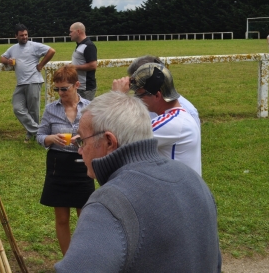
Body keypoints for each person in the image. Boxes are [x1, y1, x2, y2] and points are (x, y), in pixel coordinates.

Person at [55, 91, 221, 272]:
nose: (80, 151)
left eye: (82, 141)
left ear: (109, 142)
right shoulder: (193, 179)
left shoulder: (109, 203)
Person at [36, 66, 93, 255]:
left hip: (82, 165)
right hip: (58, 166)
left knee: (85, 218)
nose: (60, 93)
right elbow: (40, 135)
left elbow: (99, 135)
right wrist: (50, 138)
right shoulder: (51, 109)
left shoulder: (90, 108)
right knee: (61, 219)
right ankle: (68, 260)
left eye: (64, 88)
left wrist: (84, 139)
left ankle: (84, 257)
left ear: (76, 85)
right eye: (57, 89)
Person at [113, 63, 202, 175]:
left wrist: (117, 97)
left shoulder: (173, 123)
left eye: (140, 95)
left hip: (176, 186)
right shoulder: (180, 117)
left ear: (157, 95)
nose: (138, 100)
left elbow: (118, 141)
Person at [0, 24, 56, 143]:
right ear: (16, 36)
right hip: (20, 83)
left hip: (33, 81)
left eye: (26, 34)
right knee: (17, 108)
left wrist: (41, 65)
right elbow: (2, 58)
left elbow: (51, 51)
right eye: (21, 35)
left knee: (33, 110)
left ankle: (32, 135)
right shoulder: (13, 48)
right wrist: (8, 61)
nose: (24, 37)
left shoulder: (34, 46)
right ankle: (39, 133)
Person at [126, 55, 200, 128]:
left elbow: (133, 134)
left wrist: (120, 94)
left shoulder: (187, 112)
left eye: (139, 91)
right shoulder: (149, 100)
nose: (137, 97)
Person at [69, 22, 97, 100]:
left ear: (78, 31)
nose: (69, 34)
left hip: (86, 88)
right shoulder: (80, 45)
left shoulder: (89, 46)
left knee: (86, 108)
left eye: (71, 32)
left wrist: (73, 67)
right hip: (79, 86)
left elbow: (93, 65)